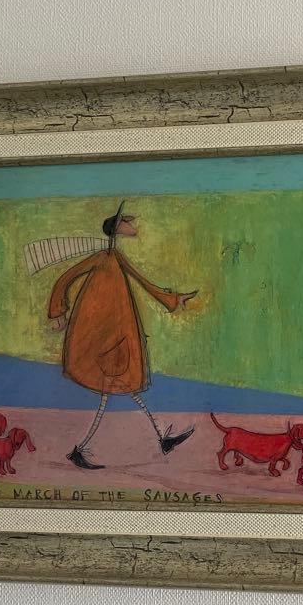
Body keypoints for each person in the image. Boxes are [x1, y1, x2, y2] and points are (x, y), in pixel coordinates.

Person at [47, 201, 198, 469]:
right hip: (102, 337)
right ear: (117, 228)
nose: (132, 225)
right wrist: (57, 311)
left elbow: (143, 281)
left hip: (118, 335)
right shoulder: (102, 258)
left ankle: (160, 439)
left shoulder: (117, 257)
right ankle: (81, 450)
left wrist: (174, 299)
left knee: (124, 388)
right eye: (127, 222)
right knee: (115, 389)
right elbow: (65, 278)